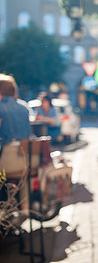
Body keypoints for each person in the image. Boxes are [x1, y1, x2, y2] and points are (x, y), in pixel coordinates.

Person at [0, 73, 32, 211]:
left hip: (6, 161)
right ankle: (24, 208)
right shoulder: (24, 107)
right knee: (23, 178)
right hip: (24, 160)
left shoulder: (1, 108)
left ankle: (4, 211)